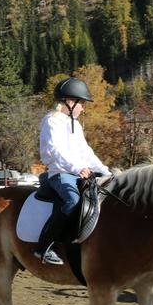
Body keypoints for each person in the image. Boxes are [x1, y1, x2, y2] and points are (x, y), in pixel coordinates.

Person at [34, 77, 110, 265]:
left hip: (79, 173)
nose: (83, 108)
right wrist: (76, 168)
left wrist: (106, 171)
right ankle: (43, 247)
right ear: (69, 101)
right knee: (73, 201)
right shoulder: (51, 121)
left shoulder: (75, 125)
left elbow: (86, 152)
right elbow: (55, 150)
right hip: (60, 174)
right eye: (81, 103)